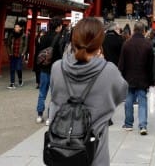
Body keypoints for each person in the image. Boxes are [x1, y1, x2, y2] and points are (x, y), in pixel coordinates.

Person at [48, 17, 127, 166]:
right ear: (99, 43)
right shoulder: (108, 70)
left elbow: (54, 95)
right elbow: (121, 94)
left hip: (59, 146)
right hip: (94, 150)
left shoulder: (57, 67)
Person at [118, 21, 153, 135]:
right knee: (142, 100)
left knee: (128, 100)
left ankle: (128, 124)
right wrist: (152, 79)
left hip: (128, 77)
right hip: (143, 77)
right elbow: (151, 64)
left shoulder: (126, 44)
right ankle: (143, 125)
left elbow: (121, 63)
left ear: (133, 30)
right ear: (143, 31)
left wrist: (120, 76)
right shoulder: (148, 44)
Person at [35, 17, 63, 124]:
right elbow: (60, 55)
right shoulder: (59, 38)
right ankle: (50, 117)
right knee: (53, 94)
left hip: (44, 68)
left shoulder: (43, 37)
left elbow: (39, 54)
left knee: (42, 92)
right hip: (55, 69)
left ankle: (39, 114)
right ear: (59, 26)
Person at [4, 21, 27, 89]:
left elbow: (25, 45)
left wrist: (23, 53)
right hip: (12, 54)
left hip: (19, 54)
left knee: (18, 68)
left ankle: (20, 80)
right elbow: (8, 44)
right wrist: (9, 52)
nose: (15, 28)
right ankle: (12, 83)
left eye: (17, 27)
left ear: (20, 28)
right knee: (12, 69)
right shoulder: (11, 35)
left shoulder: (24, 35)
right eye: (15, 27)